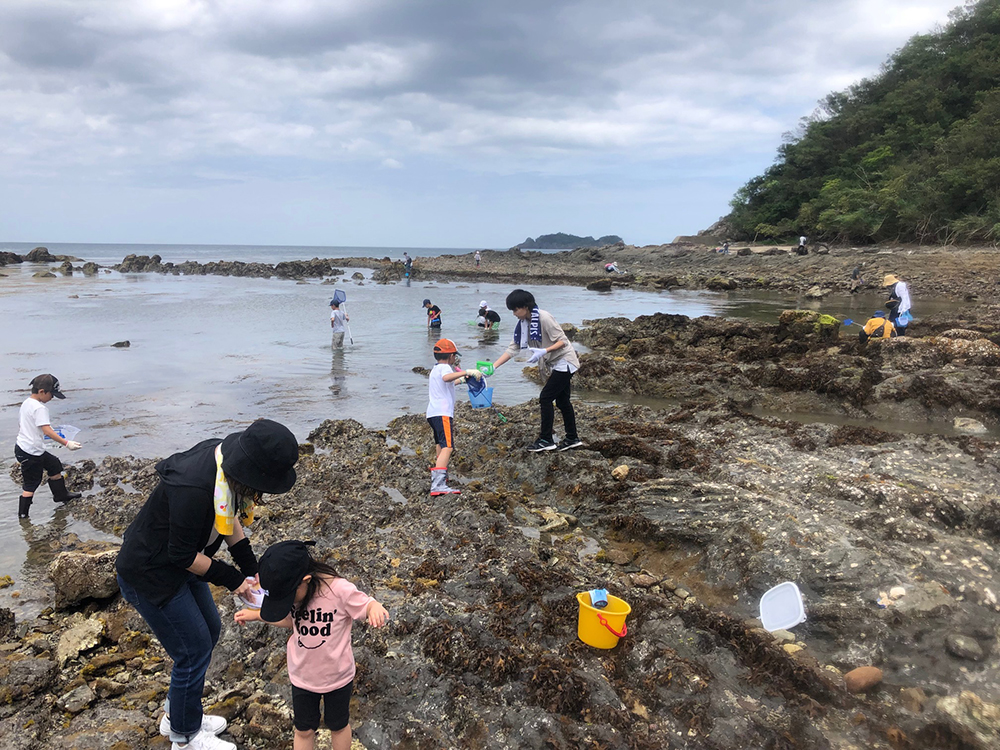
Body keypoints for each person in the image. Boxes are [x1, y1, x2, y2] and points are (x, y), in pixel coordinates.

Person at [116, 419, 300, 750]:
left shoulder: (225, 466)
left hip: (180, 565)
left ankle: (176, 716)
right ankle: (184, 739)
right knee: (193, 650)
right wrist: (234, 581)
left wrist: (250, 568)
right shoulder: (193, 487)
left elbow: (226, 519)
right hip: (151, 573)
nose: (260, 493)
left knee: (210, 631)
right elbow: (182, 555)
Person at [234, 541, 388, 750]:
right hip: (302, 677)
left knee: (339, 725)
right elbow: (290, 620)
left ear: (305, 580)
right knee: (303, 730)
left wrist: (374, 607)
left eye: (286, 597)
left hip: (338, 676)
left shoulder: (338, 589)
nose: (286, 603)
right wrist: (257, 615)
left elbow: (364, 604)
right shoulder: (293, 593)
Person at [491, 289, 583, 452]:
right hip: (555, 363)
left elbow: (562, 341)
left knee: (545, 398)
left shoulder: (544, 317)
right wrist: (493, 367)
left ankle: (546, 439)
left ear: (525, 307)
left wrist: (544, 351)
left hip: (565, 361)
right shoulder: (523, 324)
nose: (514, 314)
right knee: (562, 401)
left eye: (515, 309)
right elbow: (513, 348)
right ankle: (572, 438)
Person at [15, 374, 82, 518]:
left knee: (54, 465)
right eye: (52, 394)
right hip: (30, 452)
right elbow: (47, 430)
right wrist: (66, 443)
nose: (52, 398)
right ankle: (23, 515)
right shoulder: (40, 408)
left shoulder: (27, 402)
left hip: (25, 446)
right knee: (31, 483)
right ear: (41, 392)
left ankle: (61, 495)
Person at [426, 338, 483, 495]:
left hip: (432, 413)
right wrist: (467, 371)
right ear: (451, 356)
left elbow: (449, 382)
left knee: (440, 444)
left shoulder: (436, 369)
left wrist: (463, 379)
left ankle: (441, 478)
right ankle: (438, 484)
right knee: (448, 447)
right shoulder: (445, 368)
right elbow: (446, 378)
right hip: (443, 413)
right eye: (454, 356)